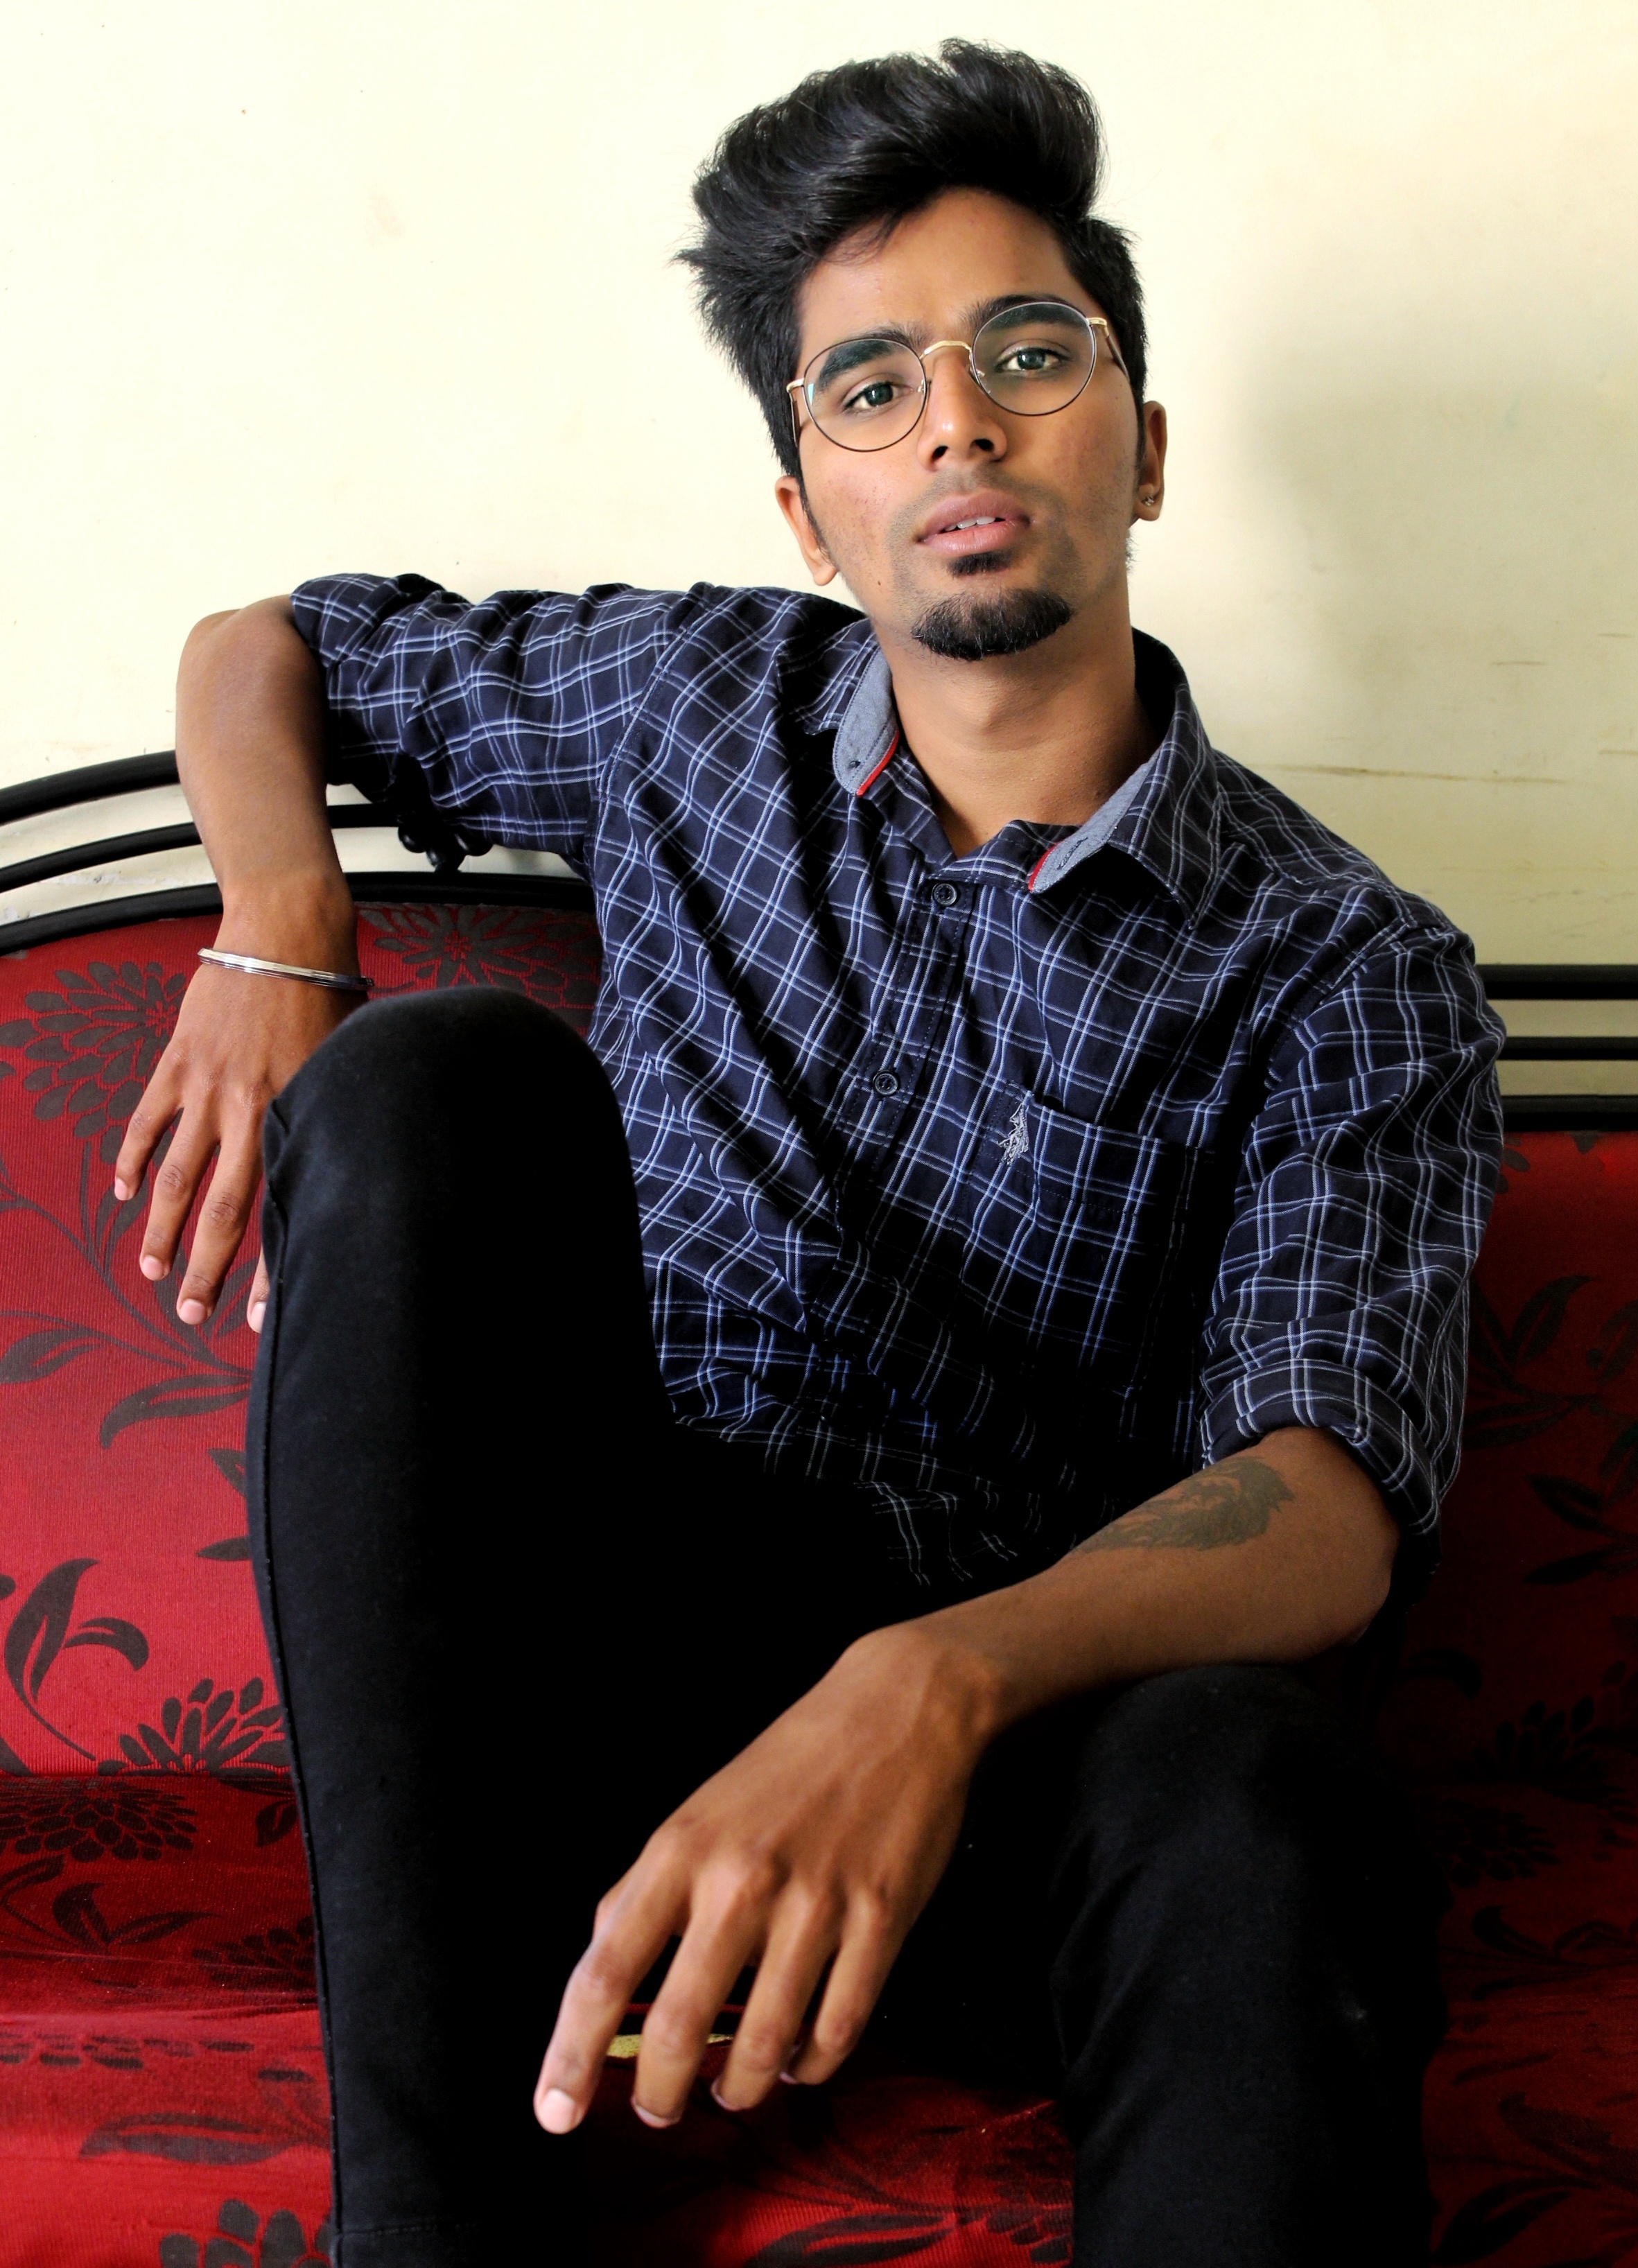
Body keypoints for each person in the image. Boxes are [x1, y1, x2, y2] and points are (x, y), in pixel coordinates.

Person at [117, 41, 1503, 2268]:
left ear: (1142, 447)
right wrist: (281, 927)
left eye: (1026, 354)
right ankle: (440, 2230)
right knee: (433, 1084)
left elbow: (1325, 1496)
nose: (957, 424)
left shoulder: (1345, 964)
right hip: (600, 1682)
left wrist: (926, 1682)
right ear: (805, 510)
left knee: (1262, 1783)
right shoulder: (691, 706)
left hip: (1010, 1760)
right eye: (873, 387)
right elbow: (263, 646)